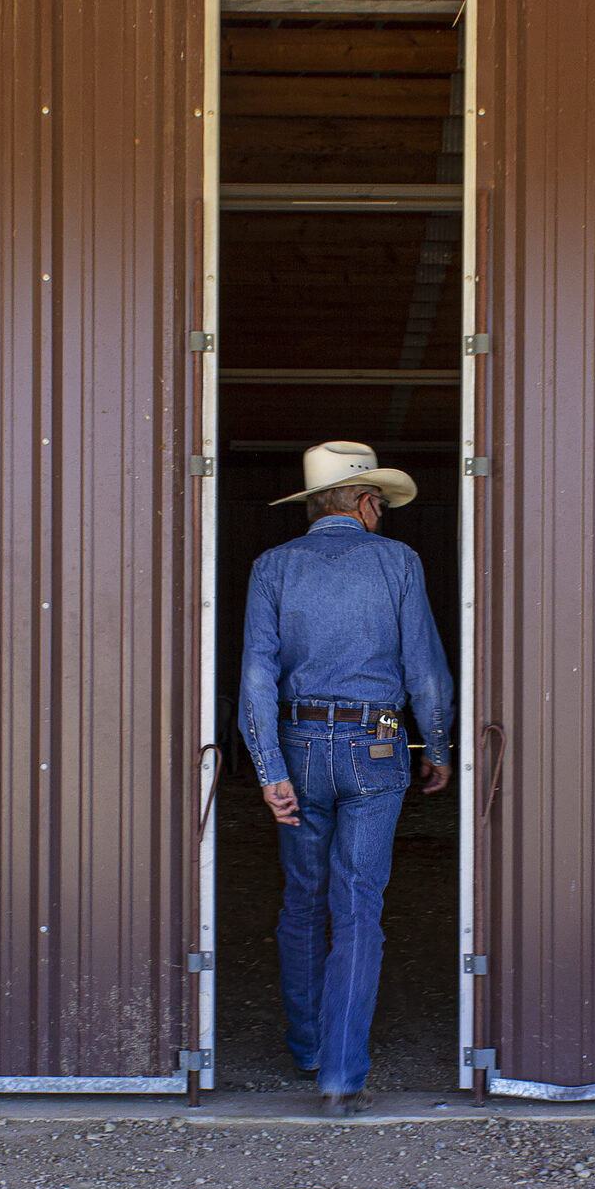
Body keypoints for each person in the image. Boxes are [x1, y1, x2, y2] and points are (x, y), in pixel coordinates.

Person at [237, 440, 454, 1117]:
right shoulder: (398, 563)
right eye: (379, 503)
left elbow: (255, 675)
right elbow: (425, 672)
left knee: (303, 897)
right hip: (377, 746)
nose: (381, 515)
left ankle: (304, 1044)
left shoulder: (273, 566)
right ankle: (340, 1068)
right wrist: (438, 745)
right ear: (361, 502)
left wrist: (268, 767)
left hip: (299, 745)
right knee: (358, 904)